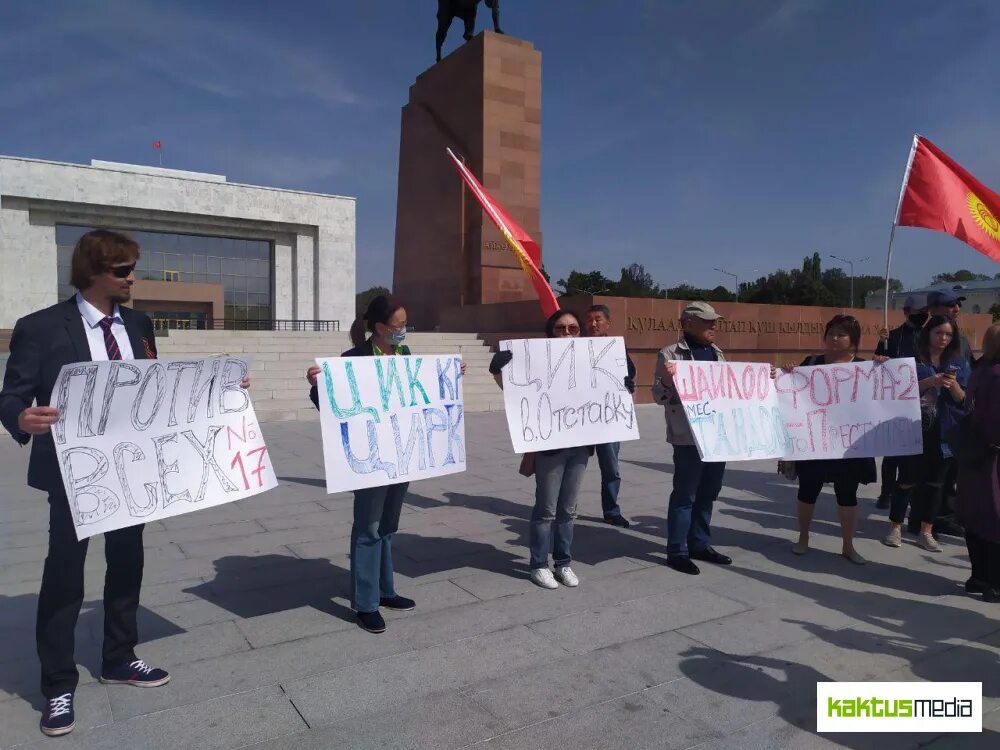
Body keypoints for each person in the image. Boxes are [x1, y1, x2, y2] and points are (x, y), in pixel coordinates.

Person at [0, 230, 171, 737]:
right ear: (92, 273)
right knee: (65, 576)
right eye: (123, 271)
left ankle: (119, 656)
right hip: (75, 475)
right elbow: (10, 396)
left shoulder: (139, 324)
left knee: (127, 563)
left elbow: (155, 387)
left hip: (131, 469)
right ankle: (57, 683)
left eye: (133, 268)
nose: (132, 278)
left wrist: (219, 391)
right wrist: (22, 418)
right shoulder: (42, 328)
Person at [306, 295, 465, 633]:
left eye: (405, 325)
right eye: (398, 326)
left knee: (388, 526)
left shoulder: (407, 357)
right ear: (379, 328)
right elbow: (334, 409)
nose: (403, 331)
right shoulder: (353, 360)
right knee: (368, 527)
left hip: (403, 456)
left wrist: (451, 376)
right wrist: (318, 386)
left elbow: (426, 395)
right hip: (371, 458)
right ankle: (365, 603)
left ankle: (385, 589)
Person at [653, 302, 763, 575]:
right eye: (707, 321)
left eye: (714, 321)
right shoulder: (670, 354)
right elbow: (658, 396)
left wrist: (764, 381)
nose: (713, 326)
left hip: (718, 436)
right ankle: (677, 551)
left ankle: (699, 544)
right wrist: (667, 382)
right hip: (688, 437)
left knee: (708, 493)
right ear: (688, 323)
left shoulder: (717, 353)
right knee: (685, 495)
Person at [489, 309, 592, 590]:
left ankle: (563, 562)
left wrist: (625, 383)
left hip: (581, 445)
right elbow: (516, 390)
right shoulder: (537, 359)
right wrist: (499, 372)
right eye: (561, 328)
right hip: (549, 447)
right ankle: (538, 564)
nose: (567, 333)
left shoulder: (590, 359)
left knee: (568, 510)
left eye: (573, 328)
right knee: (546, 510)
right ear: (550, 332)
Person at [784, 315, 880, 565]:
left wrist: (884, 368)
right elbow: (792, 395)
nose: (835, 339)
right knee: (808, 490)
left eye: (841, 334)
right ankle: (803, 537)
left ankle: (848, 545)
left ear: (853, 340)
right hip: (815, 441)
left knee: (847, 494)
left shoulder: (865, 367)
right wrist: (787, 374)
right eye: (831, 333)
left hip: (849, 444)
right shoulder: (811, 363)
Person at [883, 316, 969, 552]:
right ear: (928, 334)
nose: (943, 338)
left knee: (935, 484)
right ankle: (895, 526)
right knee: (907, 480)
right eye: (938, 333)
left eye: (948, 335)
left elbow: (965, 401)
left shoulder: (959, 363)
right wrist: (928, 382)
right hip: (915, 428)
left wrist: (955, 387)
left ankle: (926, 531)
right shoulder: (911, 361)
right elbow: (897, 391)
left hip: (945, 432)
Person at [956, 323, 1000, 602]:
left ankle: (978, 576)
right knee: (995, 520)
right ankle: (995, 584)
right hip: (993, 457)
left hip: (972, 454)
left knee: (974, 518)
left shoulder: (979, 371)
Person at [584, 304, 637, 529]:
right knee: (571, 469)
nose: (593, 324)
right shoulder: (574, 346)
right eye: (589, 319)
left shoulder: (617, 347)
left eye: (597, 319)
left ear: (608, 323)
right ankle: (564, 508)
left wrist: (628, 381)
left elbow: (630, 371)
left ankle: (611, 510)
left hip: (607, 419)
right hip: (579, 419)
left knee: (611, 468)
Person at [874, 294, 927, 510]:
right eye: (918, 313)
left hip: (924, 400)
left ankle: (911, 493)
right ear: (906, 313)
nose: (922, 317)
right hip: (896, 401)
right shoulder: (893, 336)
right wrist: (880, 345)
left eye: (925, 313)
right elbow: (878, 362)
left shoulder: (929, 336)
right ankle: (886, 492)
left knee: (916, 453)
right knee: (892, 453)